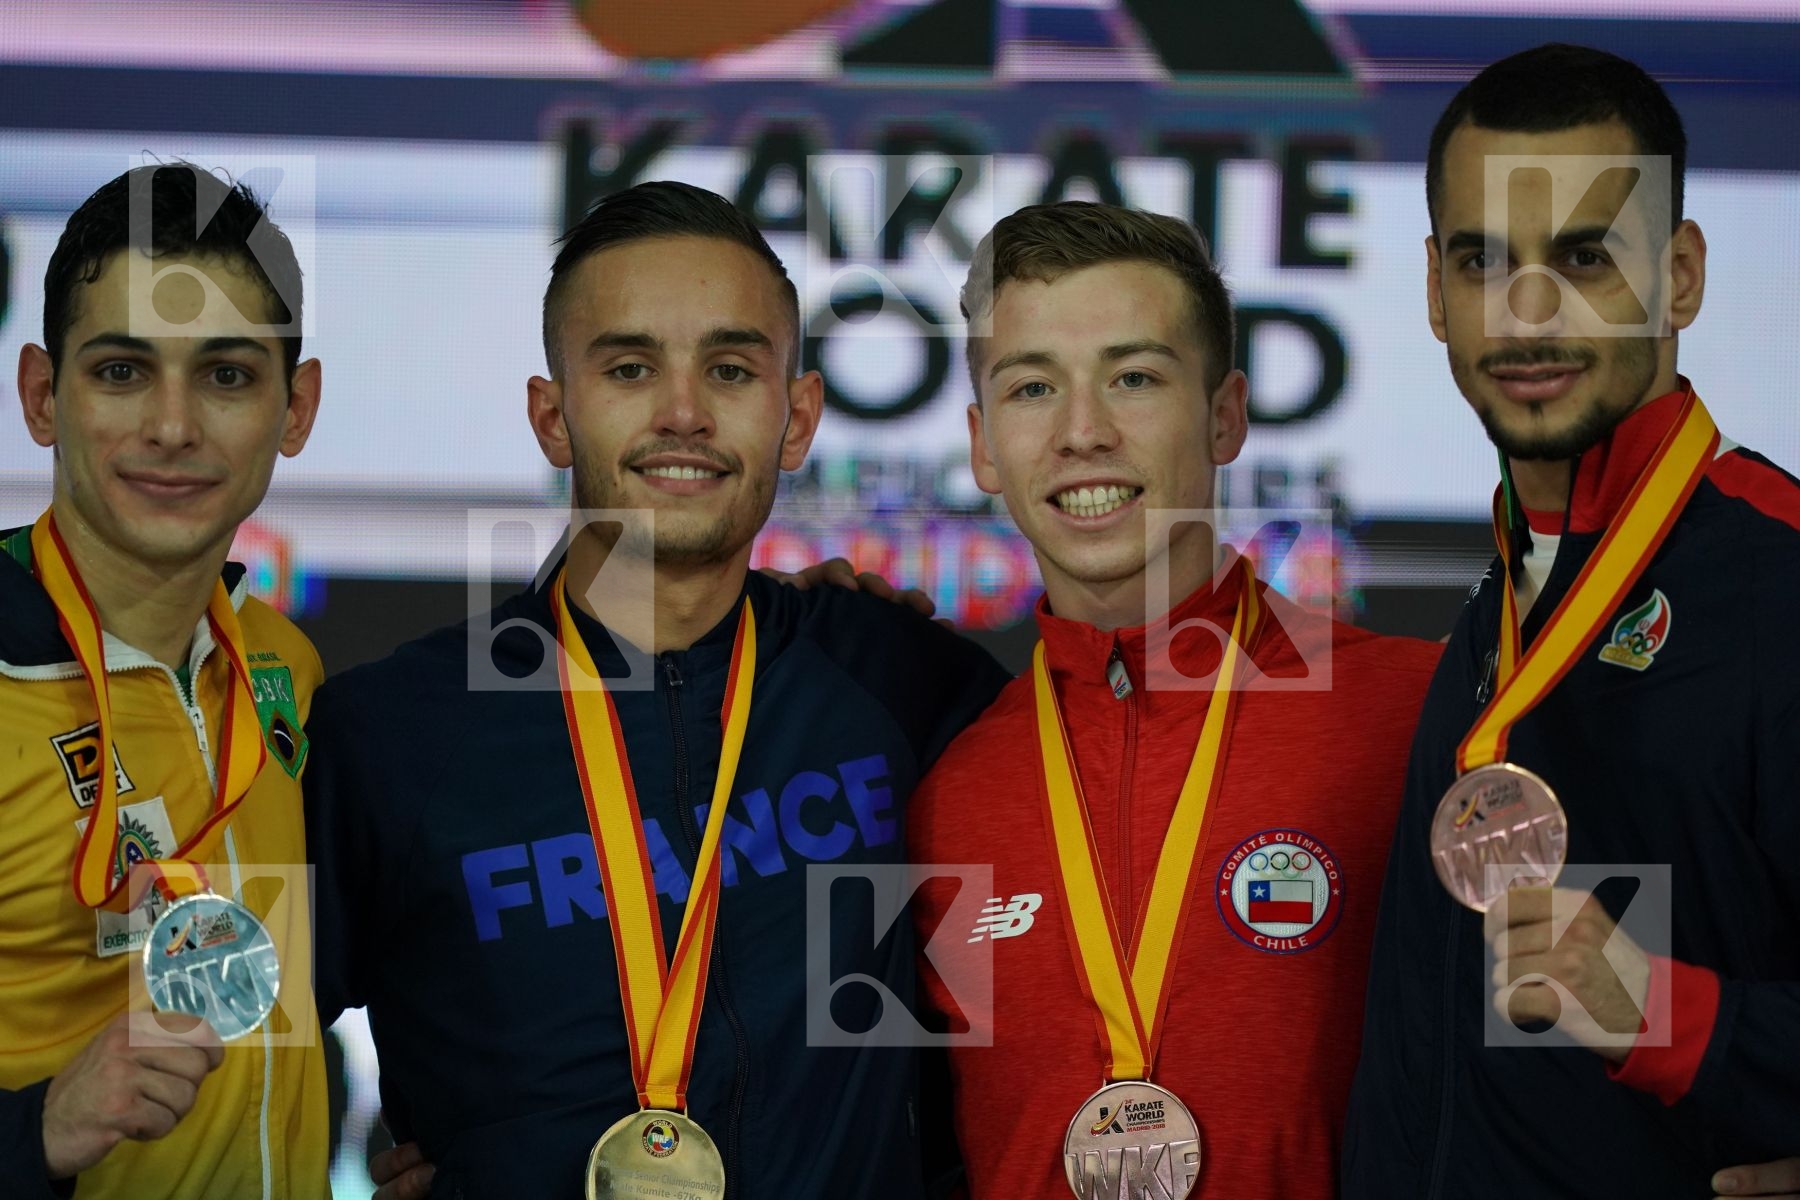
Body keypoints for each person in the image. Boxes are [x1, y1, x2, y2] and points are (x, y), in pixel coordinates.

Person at [302, 180, 1010, 1198]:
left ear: (797, 416)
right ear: (552, 416)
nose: (683, 412)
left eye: (730, 368)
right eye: (629, 367)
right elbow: (231, 1060)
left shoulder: (900, 684)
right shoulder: (395, 737)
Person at [905, 201, 1443, 1199]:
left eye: (1135, 378)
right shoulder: (944, 788)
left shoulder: (1411, 714)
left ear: (1226, 414)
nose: (1081, 432)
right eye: (1032, 388)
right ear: (983, 444)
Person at [1343, 43, 1800, 1199]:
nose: (1529, 313)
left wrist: (1670, 1019)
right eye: (1485, 261)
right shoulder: (1498, 602)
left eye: (1585, 257)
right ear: (1435, 291)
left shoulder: (1780, 583)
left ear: (1682, 275)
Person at [0, 165, 331, 1196]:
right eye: (123, 372)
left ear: (296, 407)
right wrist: (34, 1130)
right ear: (43, 396)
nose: (175, 427)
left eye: (227, 375)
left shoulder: (284, 662)